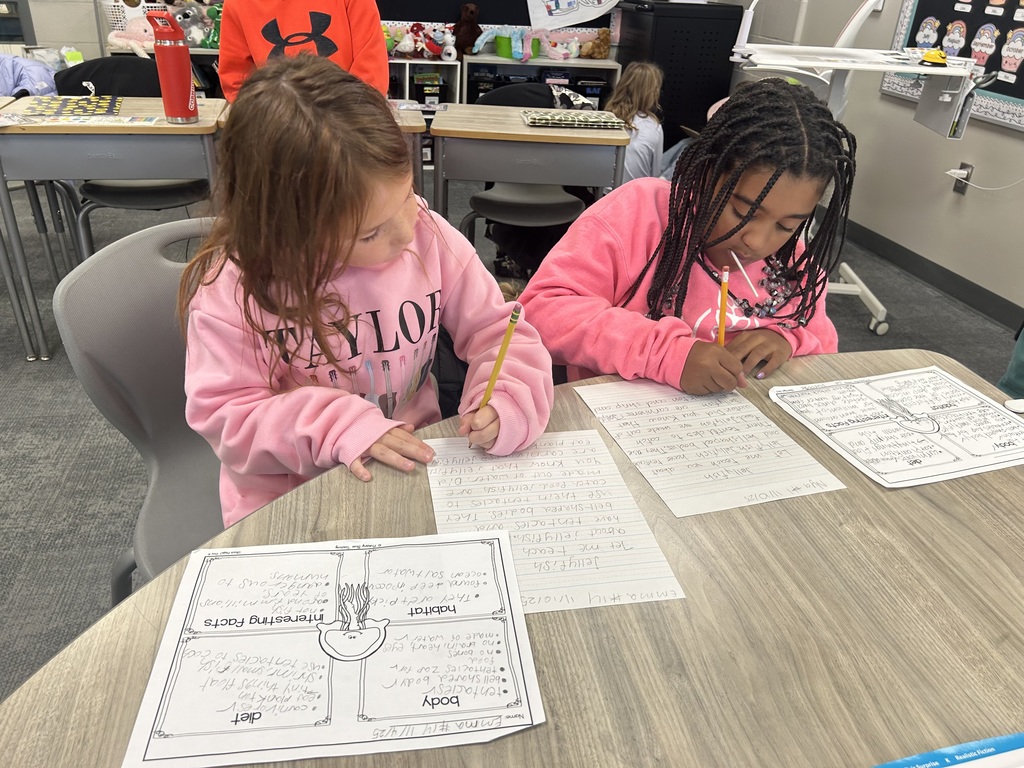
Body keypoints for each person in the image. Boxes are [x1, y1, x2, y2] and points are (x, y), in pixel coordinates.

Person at [178, 55, 554, 526]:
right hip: (291, 499)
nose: (404, 233)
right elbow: (227, 418)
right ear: (289, 230)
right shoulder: (235, 288)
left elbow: (500, 333)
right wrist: (340, 426)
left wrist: (507, 398)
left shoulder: (425, 232)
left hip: (412, 472)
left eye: (407, 196)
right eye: (370, 233)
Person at [519, 77, 856, 396]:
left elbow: (823, 346)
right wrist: (666, 353)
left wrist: (788, 340)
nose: (758, 241)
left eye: (786, 226)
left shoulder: (794, 264)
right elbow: (540, 312)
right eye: (742, 212)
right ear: (707, 173)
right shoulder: (639, 214)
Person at [216, 0, 390, 101]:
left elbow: (371, 70)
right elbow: (238, 82)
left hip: (348, 128)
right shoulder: (238, 4)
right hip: (276, 128)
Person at [604, 61, 664, 185]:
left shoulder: (606, 119)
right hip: (636, 194)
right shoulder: (653, 126)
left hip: (605, 194)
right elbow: (655, 173)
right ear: (652, 92)